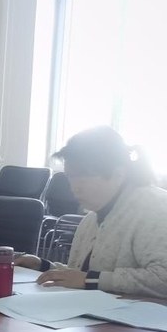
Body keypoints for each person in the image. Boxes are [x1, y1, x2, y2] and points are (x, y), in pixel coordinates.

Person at [15, 126, 167, 297]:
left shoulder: (155, 208)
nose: (74, 187)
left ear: (118, 174)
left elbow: (163, 278)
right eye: (70, 177)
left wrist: (90, 280)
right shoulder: (91, 218)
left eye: (82, 177)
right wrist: (42, 266)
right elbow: (82, 275)